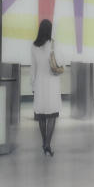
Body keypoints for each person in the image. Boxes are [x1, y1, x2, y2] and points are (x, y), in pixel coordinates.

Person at [30, 19, 63, 156]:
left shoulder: (33, 46)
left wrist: (33, 86)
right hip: (52, 82)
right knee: (52, 115)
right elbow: (60, 63)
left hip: (39, 83)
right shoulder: (53, 45)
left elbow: (33, 68)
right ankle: (47, 144)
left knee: (42, 116)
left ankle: (45, 143)